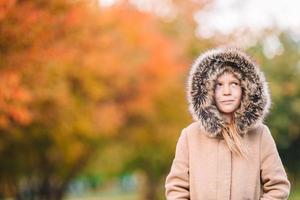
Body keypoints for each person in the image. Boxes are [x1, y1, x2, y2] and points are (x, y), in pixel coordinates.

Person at [164, 47, 291, 200]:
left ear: (246, 88)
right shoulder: (190, 136)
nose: (226, 92)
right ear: (206, 89)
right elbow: (176, 189)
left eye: (234, 84)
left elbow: (278, 187)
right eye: (219, 84)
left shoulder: (260, 135)